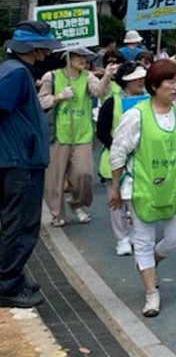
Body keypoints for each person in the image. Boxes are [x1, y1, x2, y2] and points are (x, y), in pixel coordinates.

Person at [108, 60, 176, 318]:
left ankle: (150, 263)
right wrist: (115, 187)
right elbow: (118, 152)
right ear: (154, 86)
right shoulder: (136, 116)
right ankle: (151, 294)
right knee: (143, 241)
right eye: (170, 82)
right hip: (143, 188)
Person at [0, 21, 63, 307]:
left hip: (17, 159)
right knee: (21, 224)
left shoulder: (13, 71)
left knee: (16, 223)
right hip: (20, 163)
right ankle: (8, 285)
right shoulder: (16, 74)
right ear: (36, 49)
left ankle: (11, 277)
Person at [38, 46, 116, 226]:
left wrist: (107, 76)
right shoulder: (52, 77)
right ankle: (57, 214)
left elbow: (99, 92)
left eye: (84, 57)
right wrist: (59, 96)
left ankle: (77, 203)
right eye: (77, 56)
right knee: (55, 179)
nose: (83, 60)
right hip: (58, 134)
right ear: (67, 58)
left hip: (83, 134)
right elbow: (41, 102)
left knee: (84, 174)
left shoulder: (87, 76)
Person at [95, 62, 147, 256]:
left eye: (143, 77)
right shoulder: (112, 102)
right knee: (116, 200)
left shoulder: (147, 100)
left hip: (140, 159)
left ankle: (134, 232)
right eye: (137, 78)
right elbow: (101, 131)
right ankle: (121, 238)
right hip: (114, 159)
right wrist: (119, 150)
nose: (141, 81)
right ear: (126, 80)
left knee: (136, 199)